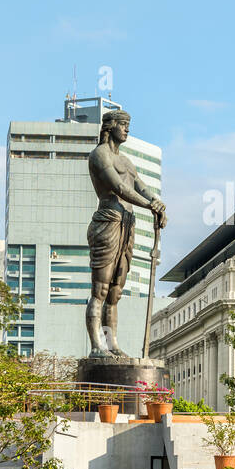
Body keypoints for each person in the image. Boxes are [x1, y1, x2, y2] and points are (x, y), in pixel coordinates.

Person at [84, 109, 166, 357]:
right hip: (109, 220)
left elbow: (141, 187)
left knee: (115, 291)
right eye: (123, 124)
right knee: (100, 288)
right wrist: (149, 205)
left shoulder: (128, 162)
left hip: (128, 223)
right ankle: (98, 346)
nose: (127, 129)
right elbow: (118, 187)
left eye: (128, 125)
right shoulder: (100, 155)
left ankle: (112, 345)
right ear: (110, 127)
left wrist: (157, 202)